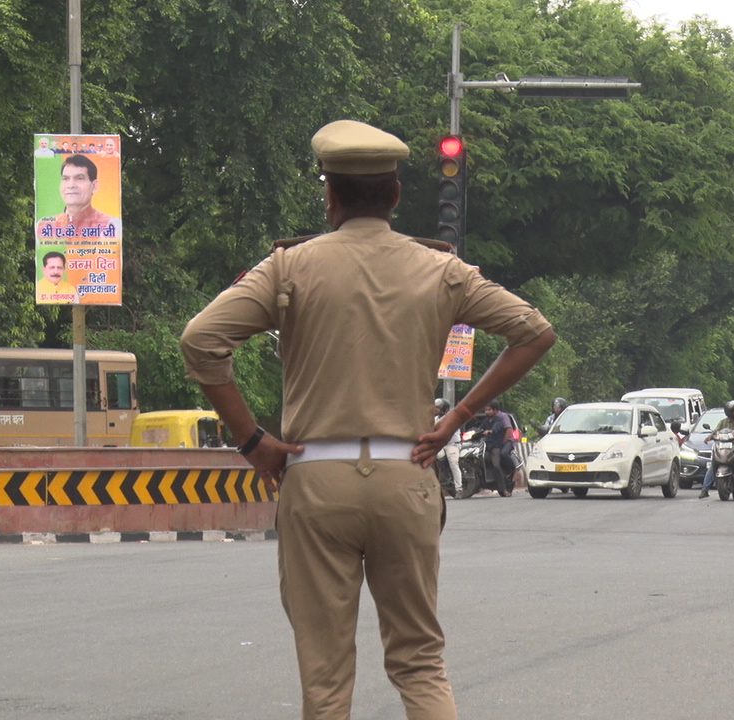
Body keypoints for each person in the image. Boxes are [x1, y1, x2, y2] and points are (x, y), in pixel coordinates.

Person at [179, 119, 555, 720]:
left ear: (329, 194)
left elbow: (201, 341)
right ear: (397, 194)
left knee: (326, 677)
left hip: (315, 478)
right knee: (419, 661)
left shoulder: (288, 268)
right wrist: (458, 414)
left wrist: (254, 441)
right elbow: (534, 333)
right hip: (407, 472)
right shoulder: (442, 270)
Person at [36, 154, 121, 240]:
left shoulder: (110, 225)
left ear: (94, 186)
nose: (71, 185)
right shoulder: (44, 226)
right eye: (65, 179)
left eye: (79, 178)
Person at [698, 399, 734, 499]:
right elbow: (716, 431)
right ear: (730, 412)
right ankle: (705, 489)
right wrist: (710, 437)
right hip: (723, 446)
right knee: (713, 465)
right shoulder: (723, 422)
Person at [478, 399, 515, 496]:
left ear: (495, 410)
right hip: (486, 446)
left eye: (489, 410)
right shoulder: (486, 420)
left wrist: (491, 431)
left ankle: (504, 488)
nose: (487, 412)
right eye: (486, 410)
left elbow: (497, 427)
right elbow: (480, 428)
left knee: (496, 465)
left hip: (496, 446)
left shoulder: (499, 419)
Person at [433, 398, 462, 497]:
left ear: (443, 408)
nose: (435, 409)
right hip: (441, 445)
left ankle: (459, 489)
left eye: (438, 407)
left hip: (452, 444)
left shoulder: (451, 418)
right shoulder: (436, 419)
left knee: (453, 463)